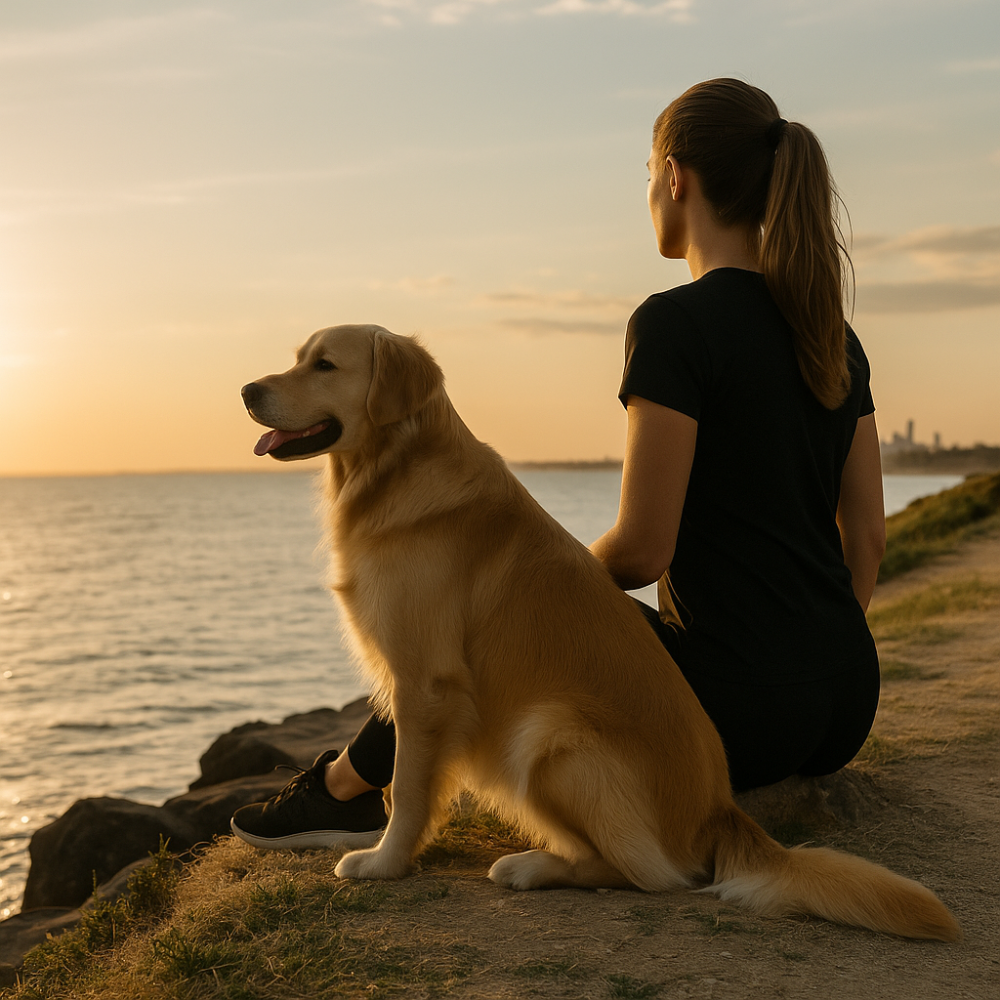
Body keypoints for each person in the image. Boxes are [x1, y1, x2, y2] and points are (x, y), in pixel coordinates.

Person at [231, 78, 885, 850]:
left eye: (647, 172)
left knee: (464, 621)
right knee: (466, 613)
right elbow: (866, 541)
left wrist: (523, 582)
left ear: (675, 177)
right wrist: (813, 666)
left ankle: (343, 788)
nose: (649, 191)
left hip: (738, 708)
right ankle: (347, 782)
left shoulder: (675, 326)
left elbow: (642, 552)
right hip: (847, 698)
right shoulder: (829, 333)